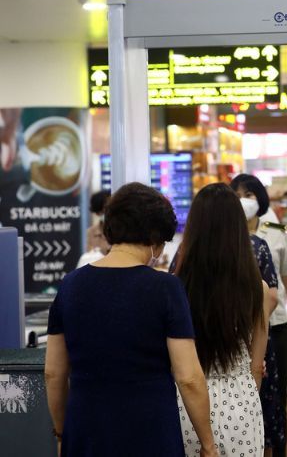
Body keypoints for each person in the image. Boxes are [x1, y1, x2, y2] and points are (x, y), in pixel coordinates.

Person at [44, 182, 218, 457]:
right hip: (150, 430)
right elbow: (189, 378)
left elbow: (53, 372)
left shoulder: (70, 285)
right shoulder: (165, 288)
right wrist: (207, 444)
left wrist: (62, 432)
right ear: (154, 237)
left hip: (86, 429)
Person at [173, 183, 276, 456]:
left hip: (186, 404)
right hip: (241, 403)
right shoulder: (257, 288)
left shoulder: (176, 287)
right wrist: (246, 392)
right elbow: (257, 366)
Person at [232, 174, 287, 457]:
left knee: (276, 400)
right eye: (238, 194)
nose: (244, 201)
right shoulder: (225, 233)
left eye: (250, 195)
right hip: (236, 332)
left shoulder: (275, 232)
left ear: (261, 199)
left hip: (273, 327)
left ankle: (278, 450)